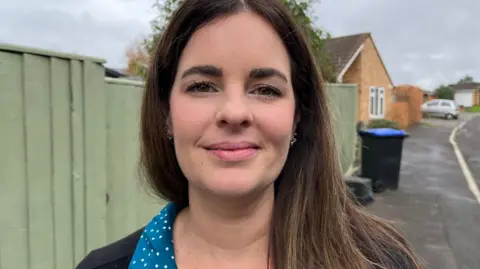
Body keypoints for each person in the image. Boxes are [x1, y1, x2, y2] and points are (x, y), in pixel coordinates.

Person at [77, 0, 422, 268]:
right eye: (202, 86)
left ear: (297, 118)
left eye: (266, 89)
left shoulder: (381, 261)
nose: (234, 113)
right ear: (166, 113)